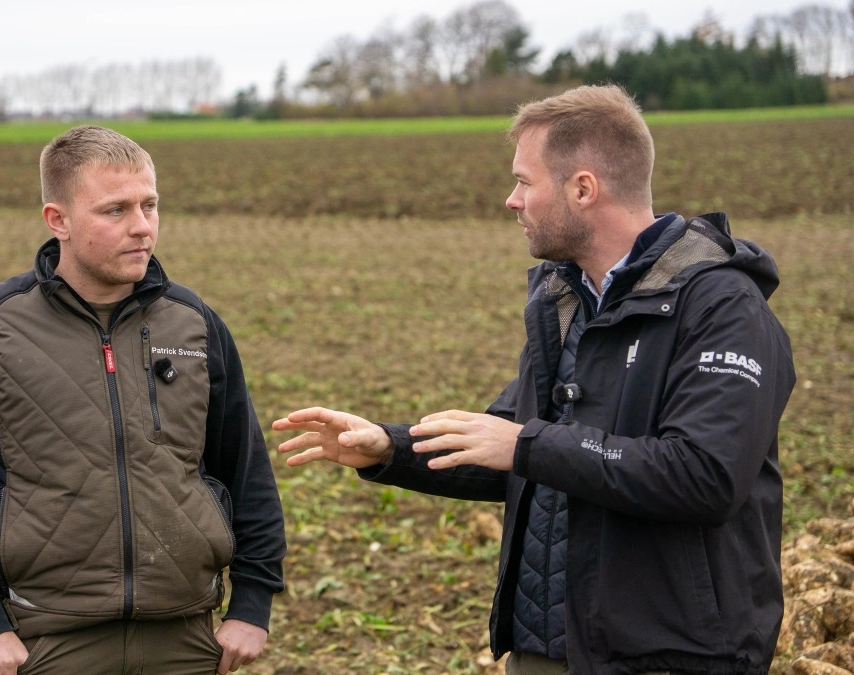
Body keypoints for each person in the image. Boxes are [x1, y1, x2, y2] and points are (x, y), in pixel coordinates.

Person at [273, 85, 795, 674]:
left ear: (583, 188)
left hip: (666, 654)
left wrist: (526, 443)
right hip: (547, 649)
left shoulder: (722, 309)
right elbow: (509, 447)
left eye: (524, 181)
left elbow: (705, 475)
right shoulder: (568, 301)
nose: (510, 200)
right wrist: (390, 448)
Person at [0, 125, 286, 675]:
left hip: (185, 638)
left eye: (150, 205)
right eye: (115, 211)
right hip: (47, 639)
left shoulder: (194, 324)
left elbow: (247, 471)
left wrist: (253, 602)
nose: (142, 228)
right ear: (57, 219)